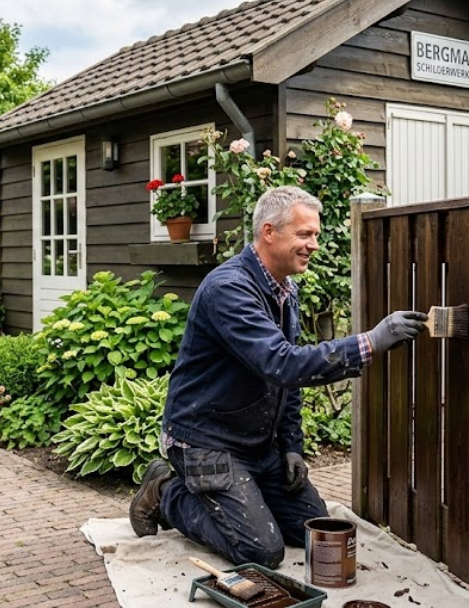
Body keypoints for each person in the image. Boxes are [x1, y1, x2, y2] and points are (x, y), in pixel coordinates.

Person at [128, 185, 427, 569]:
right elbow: (283, 364)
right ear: (269, 232)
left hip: (256, 444)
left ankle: (245, 498)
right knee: (261, 552)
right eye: (305, 234)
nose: (314, 244)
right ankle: (165, 489)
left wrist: (291, 446)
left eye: (315, 235)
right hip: (207, 441)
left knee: (316, 533)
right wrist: (371, 341)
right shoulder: (229, 289)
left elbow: (287, 383)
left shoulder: (285, 290)